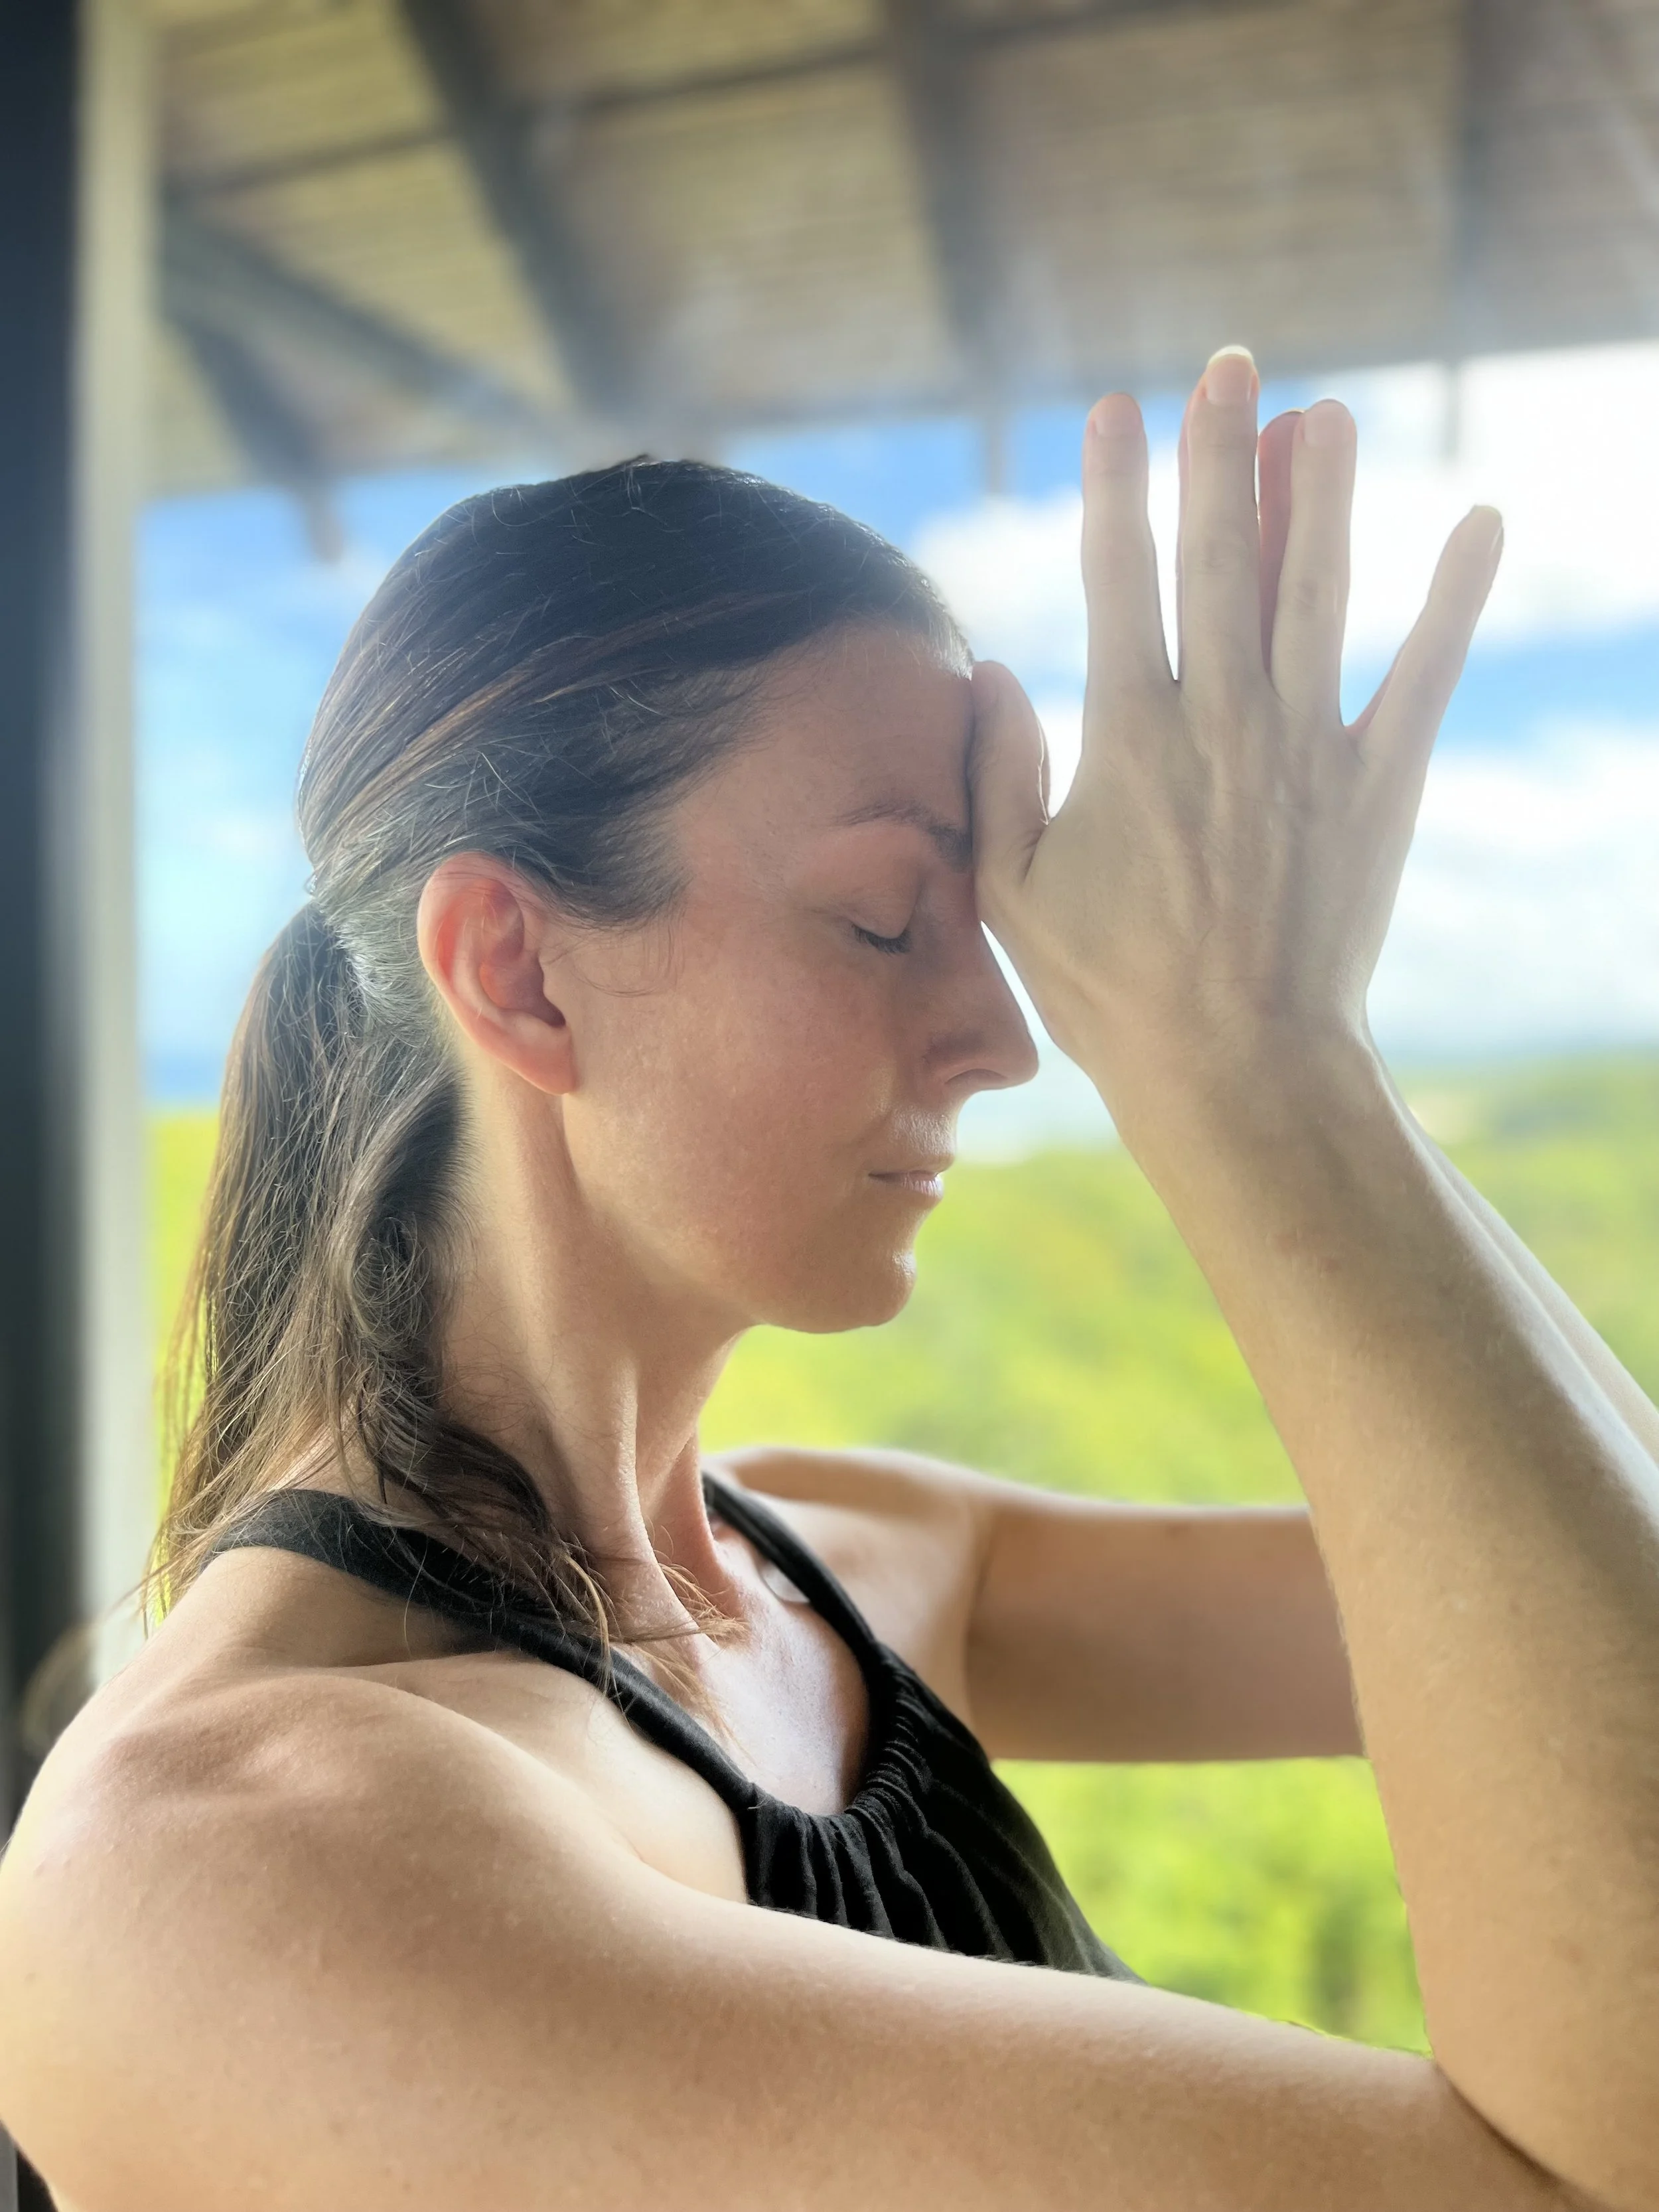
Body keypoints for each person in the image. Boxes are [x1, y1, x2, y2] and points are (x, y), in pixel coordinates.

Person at [1, 345, 1654, 2212]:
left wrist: (1308, 1046)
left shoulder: (835, 1565)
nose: (1001, 1035)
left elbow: (1597, 1610)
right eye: (885, 917)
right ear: (518, 972)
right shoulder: (235, 1865)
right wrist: (1254, 1070)